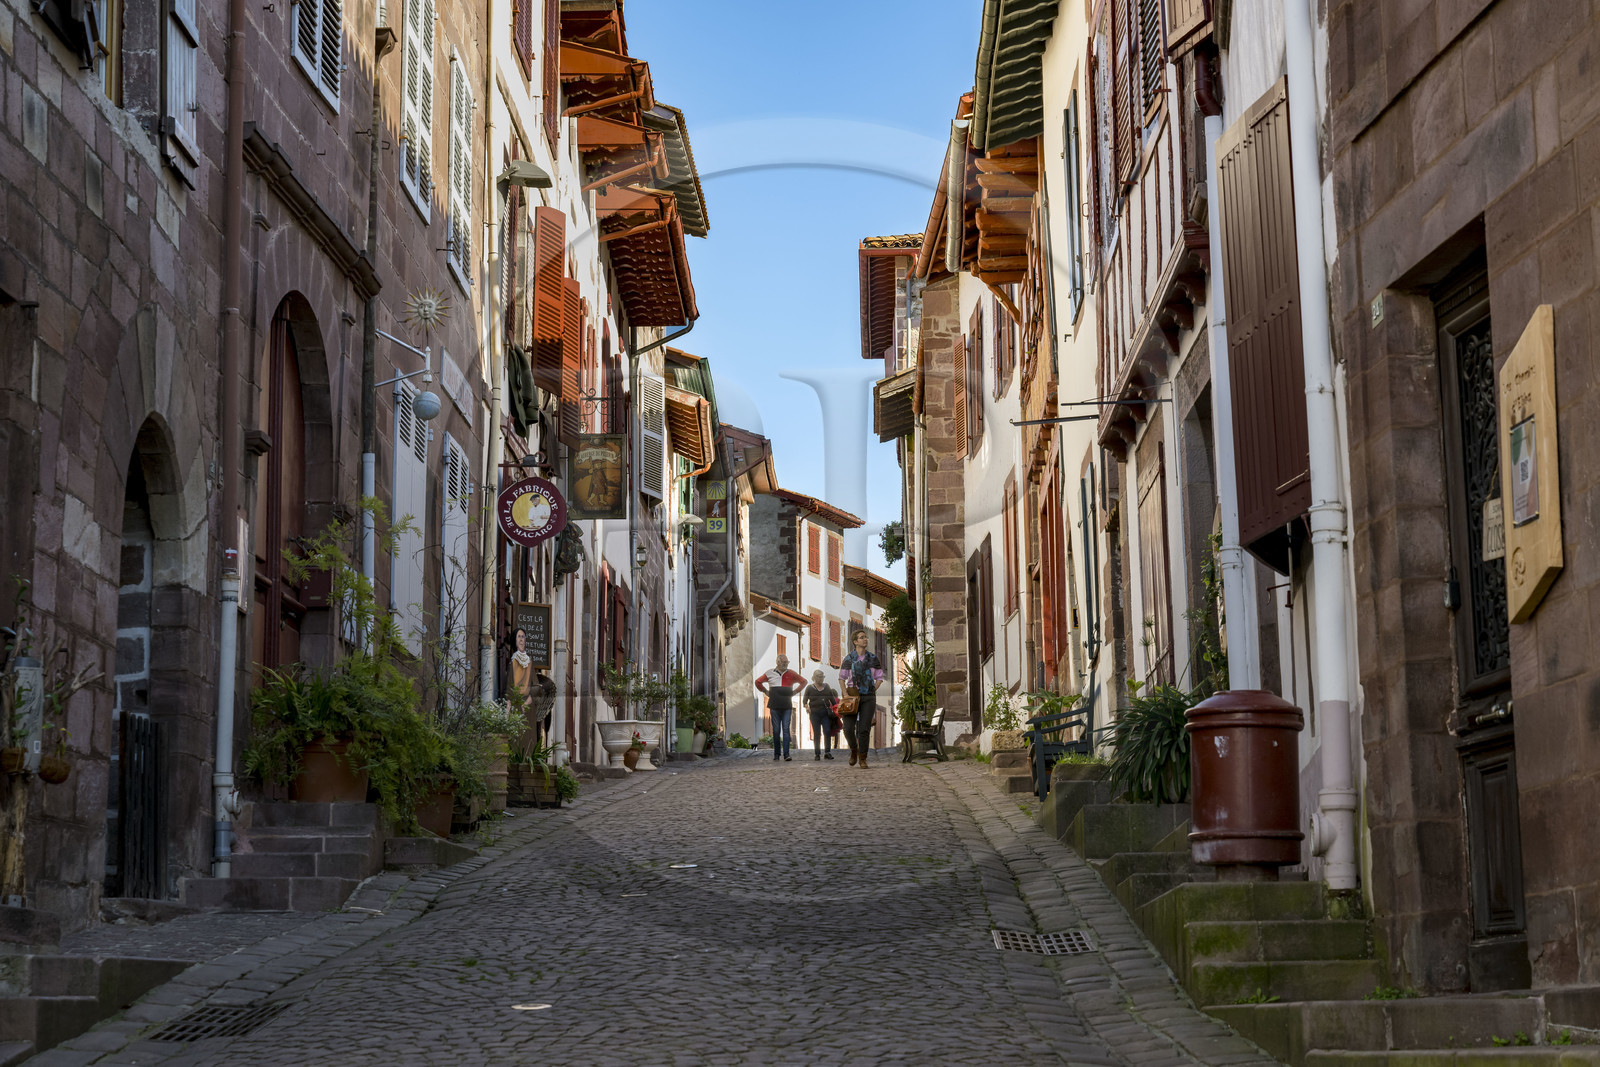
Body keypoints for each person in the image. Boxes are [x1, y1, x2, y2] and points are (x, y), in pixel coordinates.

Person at [839, 629, 884, 768]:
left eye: (866, 637)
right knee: (847, 728)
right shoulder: (848, 659)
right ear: (855, 642)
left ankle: (863, 758)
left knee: (864, 729)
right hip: (852, 696)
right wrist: (845, 694)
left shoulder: (873, 658)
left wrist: (872, 690)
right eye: (862, 637)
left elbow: (879, 677)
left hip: (868, 697)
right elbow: (842, 678)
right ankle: (854, 750)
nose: (865, 639)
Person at [754, 655, 804, 762]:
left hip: (787, 706)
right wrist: (765, 691)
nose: (785, 664)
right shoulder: (769, 673)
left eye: (787, 662)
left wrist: (795, 692)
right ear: (777, 662)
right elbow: (757, 682)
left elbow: (804, 681)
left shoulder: (791, 673)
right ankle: (776, 754)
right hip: (774, 705)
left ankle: (786, 754)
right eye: (783, 662)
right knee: (776, 731)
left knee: (786, 730)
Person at [801, 669, 839, 761]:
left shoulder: (827, 687)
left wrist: (836, 710)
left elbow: (833, 701)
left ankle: (827, 752)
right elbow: (804, 701)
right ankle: (817, 754)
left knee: (827, 731)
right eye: (819, 676)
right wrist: (807, 707)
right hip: (814, 714)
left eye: (822, 677)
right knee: (817, 733)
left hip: (825, 713)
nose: (821, 678)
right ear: (814, 677)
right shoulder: (809, 688)